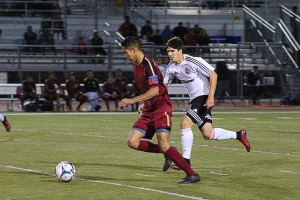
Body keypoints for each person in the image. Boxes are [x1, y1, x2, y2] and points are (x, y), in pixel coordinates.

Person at [119, 36, 200, 184]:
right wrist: (144, 102)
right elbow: (148, 89)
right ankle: (169, 151)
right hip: (149, 108)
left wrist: (132, 100)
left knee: (163, 143)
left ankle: (192, 174)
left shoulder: (148, 64)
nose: (125, 55)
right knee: (132, 141)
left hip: (161, 107)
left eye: (126, 52)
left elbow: (156, 90)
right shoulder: (136, 65)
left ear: (134, 49)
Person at [163, 37, 250, 170]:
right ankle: (239, 135)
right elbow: (163, 87)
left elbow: (213, 75)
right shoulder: (171, 67)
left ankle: (185, 161)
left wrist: (210, 97)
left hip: (203, 97)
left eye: (172, 51)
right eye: (168, 51)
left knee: (185, 123)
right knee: (207, 134)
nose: (169, 54)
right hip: (196, 100)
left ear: (180, 51)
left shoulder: (193, 61)